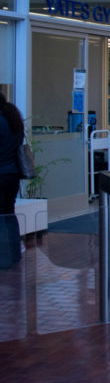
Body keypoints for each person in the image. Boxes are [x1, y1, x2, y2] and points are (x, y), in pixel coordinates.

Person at [0, 92, 26, 265]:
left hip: (1, 174)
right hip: (12, 175)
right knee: (8, 213)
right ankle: (14, 253)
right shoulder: (13, 119)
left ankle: (4, 257)